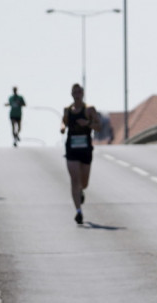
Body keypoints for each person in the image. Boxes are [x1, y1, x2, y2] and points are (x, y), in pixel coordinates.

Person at [60, 83, 101, 224]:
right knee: (74, 180)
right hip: (71, 149)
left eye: (79, 92)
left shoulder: (89, 109)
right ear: (71, 94)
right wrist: (63, 128)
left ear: (83, 93)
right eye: (74, 92)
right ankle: (78, 211)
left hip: (85, 150)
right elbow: (63, 122)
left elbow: (99, 126)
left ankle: (81, 191)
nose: (77, 94)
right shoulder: (67, 110)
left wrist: (88, 124)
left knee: (84, 182)